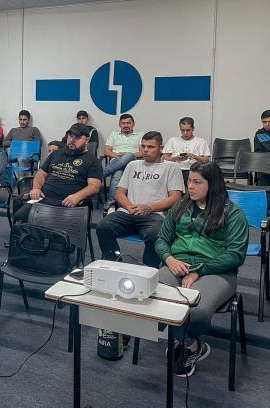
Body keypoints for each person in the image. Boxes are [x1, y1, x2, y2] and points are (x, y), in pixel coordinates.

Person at [155, 162, 249, 377]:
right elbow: (162, 240)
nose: (190, 187)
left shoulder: (233, 214)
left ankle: (188, 343)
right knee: (148, 295)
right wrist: (169, 259)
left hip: (217, 272)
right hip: (176, 266)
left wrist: (200, 270)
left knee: (197, 310)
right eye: (189, 181)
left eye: (197, 182)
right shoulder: (180, 207)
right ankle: (189, 342)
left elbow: (235, 255)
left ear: (212, 184)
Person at [95, 131, 184, 268]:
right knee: (103, 227)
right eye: (143, 146)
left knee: (156, 235)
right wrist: (129, 206)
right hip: (127, 212)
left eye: (150, 147)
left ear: (161, 148)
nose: (145, 150)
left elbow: (175, 197)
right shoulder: (133, 165)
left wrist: (149, 208)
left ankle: (149, 269)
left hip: (154, 215)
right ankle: (112, 262)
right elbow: (119, 193)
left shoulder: (171, 168)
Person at [12, 123, 102, 223]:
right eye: (70, 136)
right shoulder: (56, 154)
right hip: (44, 197)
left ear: (87, 140)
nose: (72, 140)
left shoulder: (92, 160)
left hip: (66, 202)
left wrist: (78, 196)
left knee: (29, 218)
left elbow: (95, 186)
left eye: (77, 138)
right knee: (19, 208)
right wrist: (36, 188)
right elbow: (41, 174)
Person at [103, 114, 143, 202]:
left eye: (128, 123)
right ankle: (111, 204)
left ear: (133, 124)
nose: (126, 125)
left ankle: (102, 175)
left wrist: (128, 155)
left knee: (128, 155)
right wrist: (116, 155)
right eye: (123, 123)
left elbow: (142, 152)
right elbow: (106, 151)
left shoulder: (140, 135)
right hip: (117, 160)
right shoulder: (114, 134)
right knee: (117, 174)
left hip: (133, 161)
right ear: (119, 124)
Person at [163, 117, 211, 184]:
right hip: (175, 170)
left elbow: (206, 160)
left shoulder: (201, 141)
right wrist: (176, 158)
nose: (185, 133)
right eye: (182, 130)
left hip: (193, 171)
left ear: (193, 129)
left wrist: (194, 156)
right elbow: (165, 158)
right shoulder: (172, 140)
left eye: (188, 130)